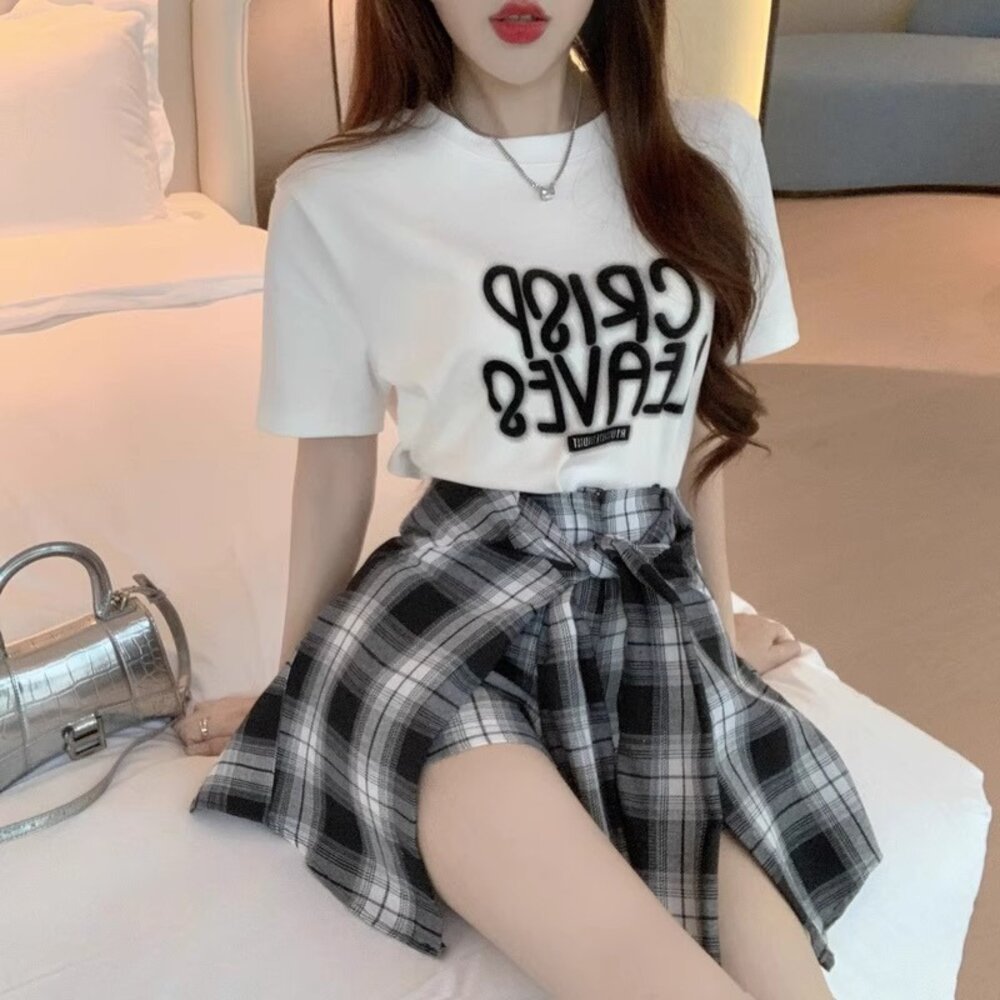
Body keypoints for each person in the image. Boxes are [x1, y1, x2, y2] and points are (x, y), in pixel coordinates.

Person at [176, 2, 883, 997]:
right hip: (445, 620)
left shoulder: (710, 149)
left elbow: (697, 433)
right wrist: (299, 688)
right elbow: (332, 471)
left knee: (786, 975)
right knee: (638, 967)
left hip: (646, 612)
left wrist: (716, 626)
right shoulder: (337, 195)